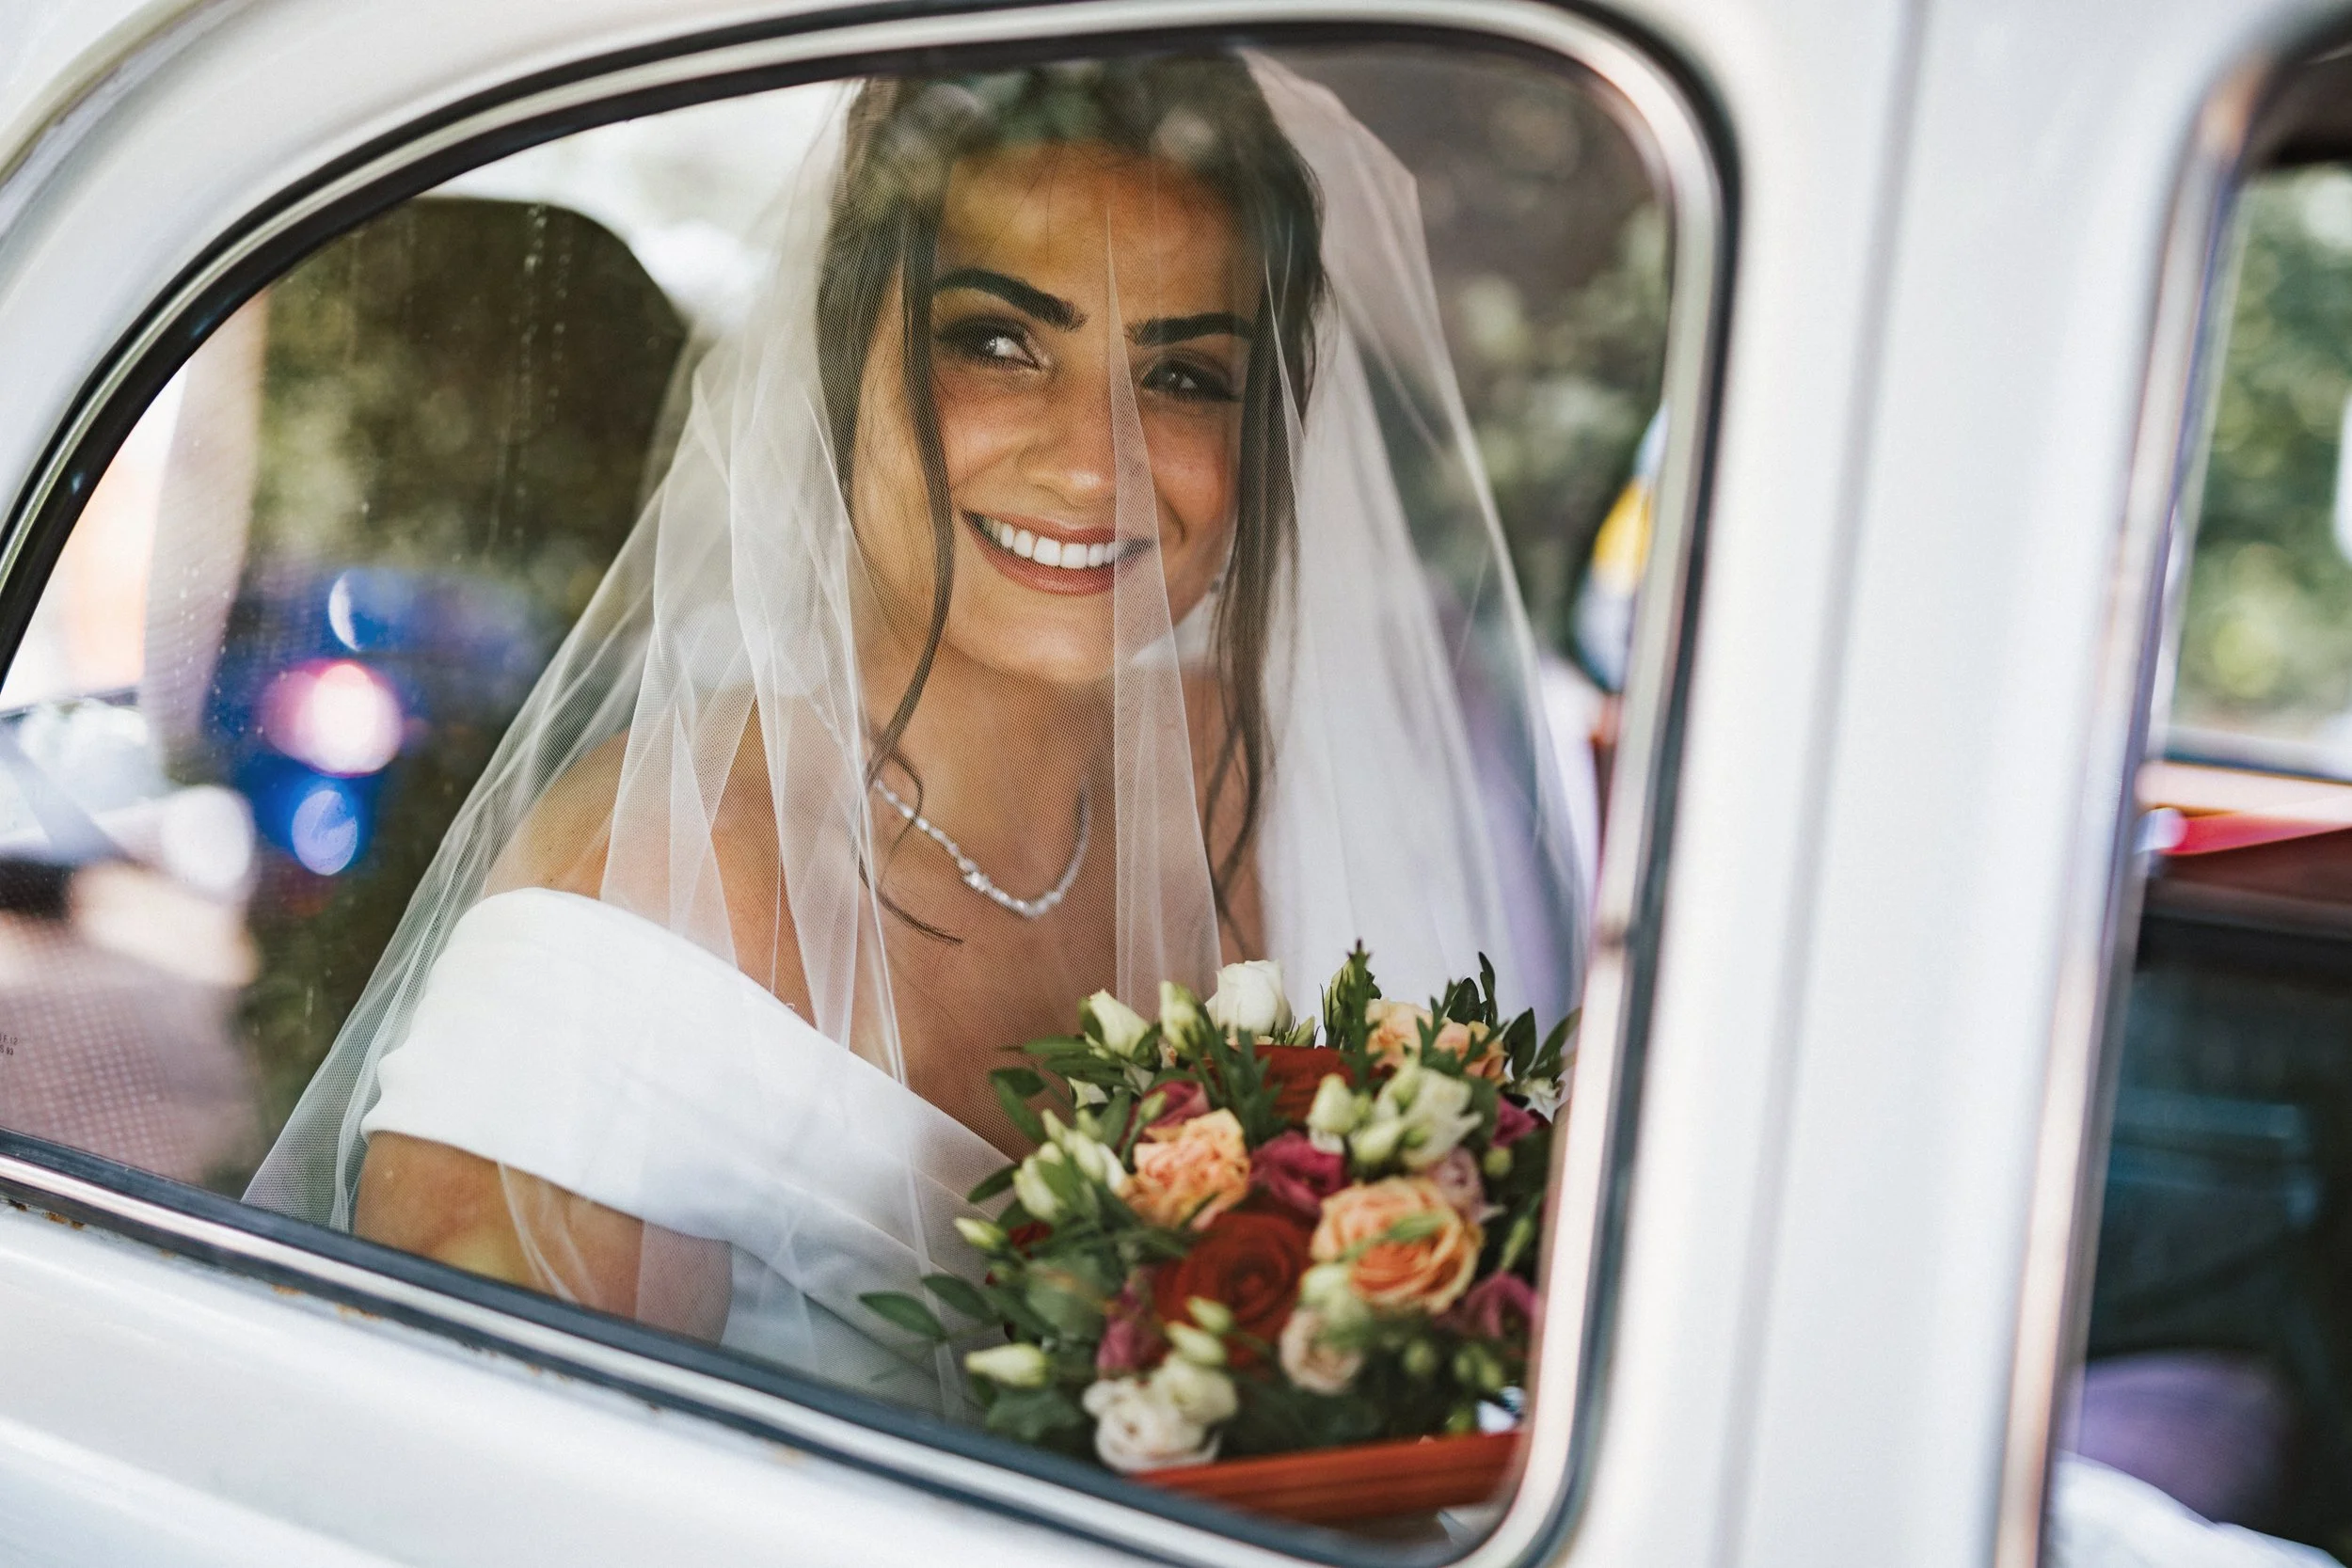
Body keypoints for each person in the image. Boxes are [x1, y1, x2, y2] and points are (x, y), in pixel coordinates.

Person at [246, 53, 1586, 1417]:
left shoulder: (1293, 790)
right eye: (1000, 342)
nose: (1095, 459)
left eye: (1183, 374)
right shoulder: (635, 912)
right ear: (839, 359)